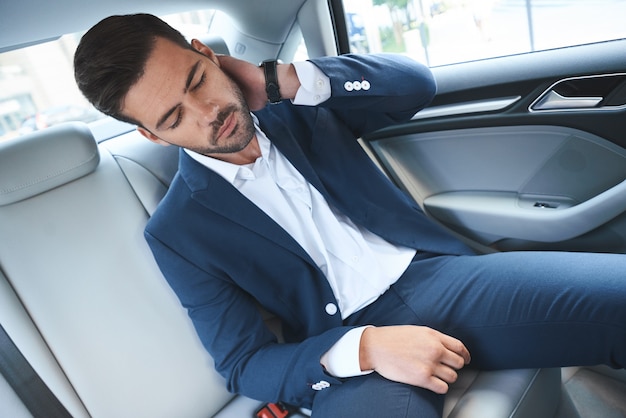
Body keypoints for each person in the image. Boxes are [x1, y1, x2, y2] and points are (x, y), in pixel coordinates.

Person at [74, 13, 626, 417]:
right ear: (150, 134)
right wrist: (365, 348)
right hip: (344, 345)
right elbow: (243, 363)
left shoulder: (297, 107)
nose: (208, 113)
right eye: (174, 117)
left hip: (436, 278)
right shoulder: (177, 232)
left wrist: (282, 80)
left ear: (206, 53)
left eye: (197, 80)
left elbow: (416, 86)